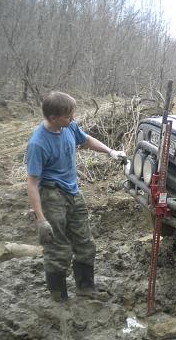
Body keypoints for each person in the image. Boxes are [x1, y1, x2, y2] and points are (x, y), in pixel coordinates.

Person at [26, 91, 126, 302]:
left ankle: (85, 288)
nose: (72, 119)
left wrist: (110, 152)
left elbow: (86, 140)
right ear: (53, 117)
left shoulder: (69, 126)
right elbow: (32, 184)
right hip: (51, 195)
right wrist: (41, 220)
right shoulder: (38, 143)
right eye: (68, 116)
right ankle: (59, 297)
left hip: (73, 192)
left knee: (85, 243)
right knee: (58, 248)